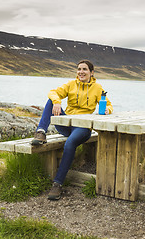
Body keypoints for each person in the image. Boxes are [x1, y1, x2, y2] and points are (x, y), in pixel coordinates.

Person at [31, 59, 113, 200]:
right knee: (51, 100)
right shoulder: (70, 84)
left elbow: (109, 105)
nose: (81, 72)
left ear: (91, 73)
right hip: (66, 124)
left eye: (85, 69)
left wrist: (107, 110)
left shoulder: (98, 88)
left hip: (82, 128)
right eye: (79, 69)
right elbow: (53, 92)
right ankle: (41, 132)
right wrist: (57, 102)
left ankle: (57, 184)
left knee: (69, 143)